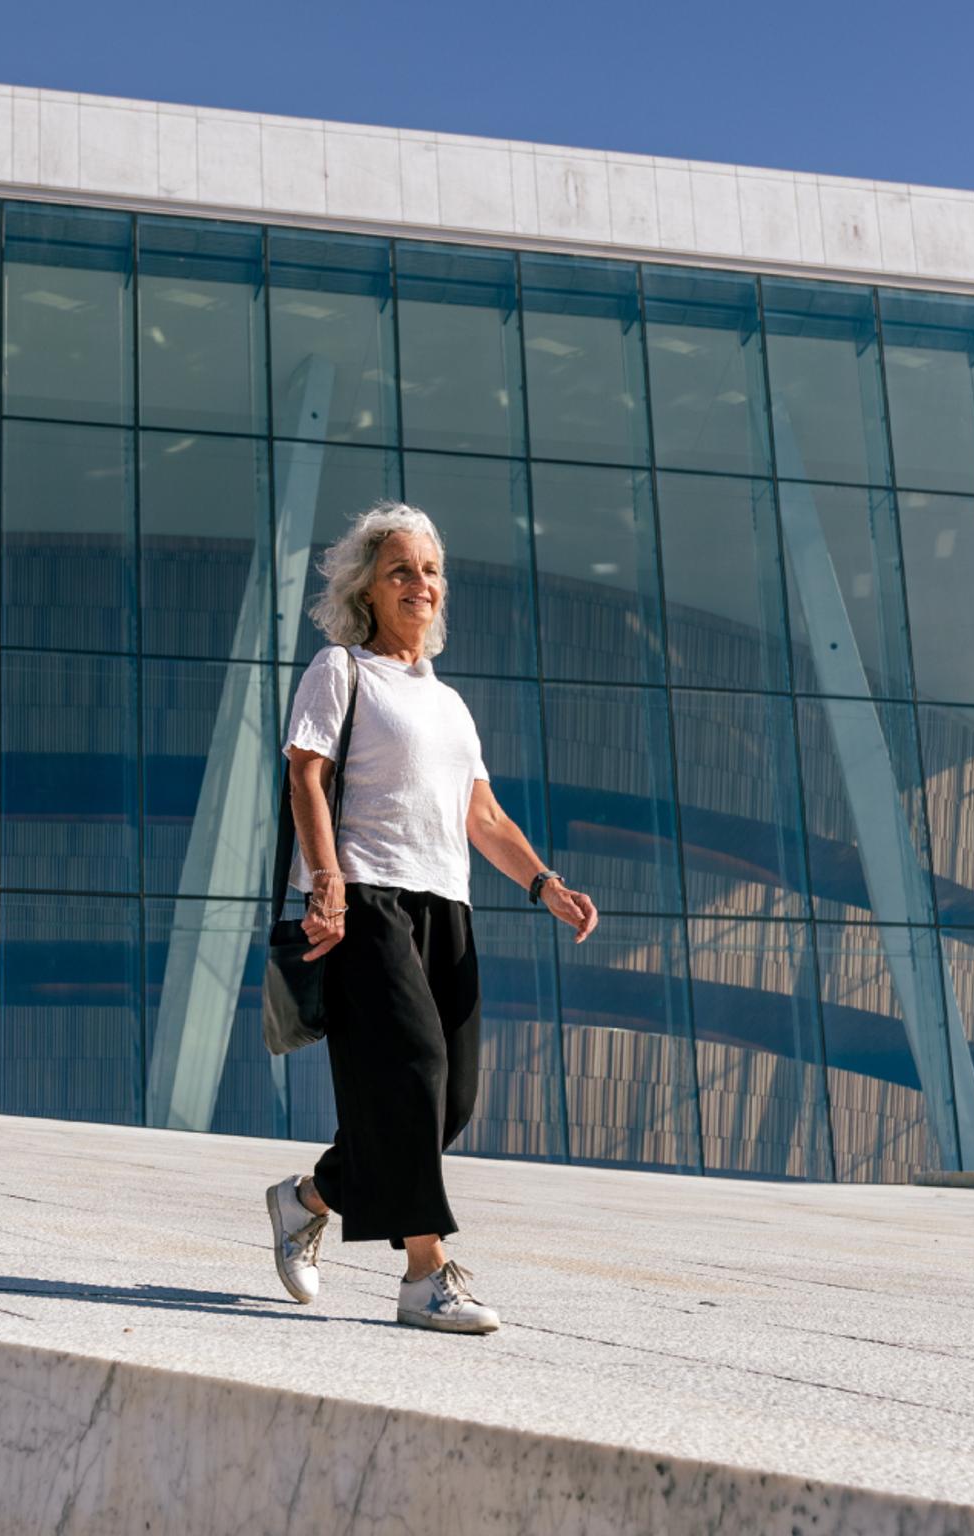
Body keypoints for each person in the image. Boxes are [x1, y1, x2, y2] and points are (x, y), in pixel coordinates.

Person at [265, 503, 598, 1335]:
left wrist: (543, 882)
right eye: (401, 570)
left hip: (446, 904)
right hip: (367, 899)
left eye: (431, 571)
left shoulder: (448, 704)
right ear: (367, 590)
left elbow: (481, 815)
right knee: (411, 1071)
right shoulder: (341, 671)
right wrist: (328, 879)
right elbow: (306, 777)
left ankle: (307, 1198)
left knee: (448, 1102)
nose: (421, 583)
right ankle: (425, 1275)